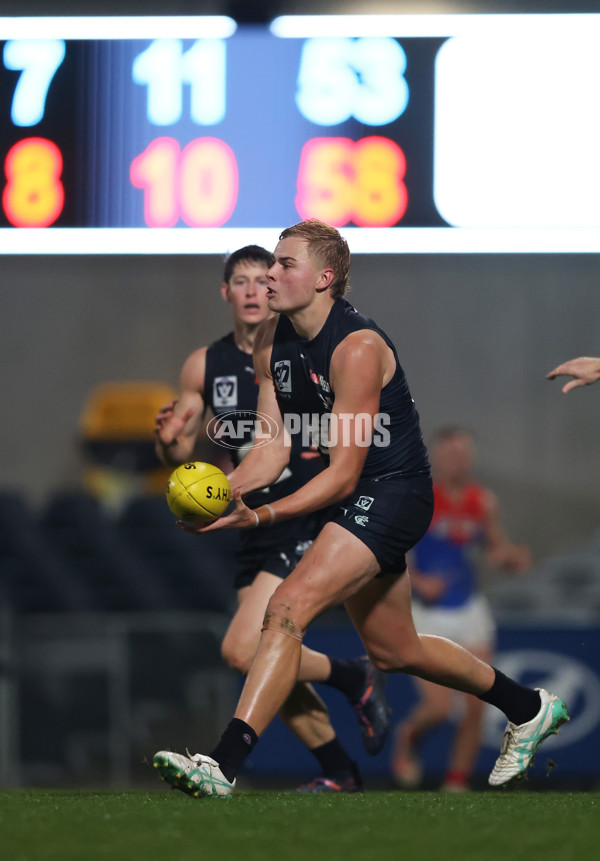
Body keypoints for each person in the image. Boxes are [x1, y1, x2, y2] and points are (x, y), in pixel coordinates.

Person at [153, 220, 569, 799]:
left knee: (288, 605)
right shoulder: (274, 343)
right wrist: (231, 495)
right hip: (357, 497)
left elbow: (343, 471)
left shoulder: (357, 349)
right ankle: (529, 707)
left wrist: (263, 517)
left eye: (284, 264)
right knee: (396, 650)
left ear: (324, 279)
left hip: (395, 491)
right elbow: (274, 446)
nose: (271, 274)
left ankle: (220, 766)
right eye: (271, 262)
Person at [153, 244, 390, 794]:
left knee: (243, 648)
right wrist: (168, 446)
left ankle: (351, 678)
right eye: (243, 281)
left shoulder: (298, 348)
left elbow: (335, 434)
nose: (256, 289)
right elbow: (186, 454)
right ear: (227, 292)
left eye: (267, 278)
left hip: (303, 508)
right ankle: (339, 767)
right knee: (261, 658)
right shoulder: (204, 365)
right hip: (250, 514)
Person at [391, 426, 532, 792]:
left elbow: (494, 547)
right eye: (450, 453)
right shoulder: (421, 497)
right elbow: (393, 552)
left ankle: (457, 780)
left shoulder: (481, 500)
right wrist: (419, 582)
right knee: (438, 709)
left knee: (476, 704)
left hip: (469, 609)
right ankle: (409, 734)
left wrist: (511, 558)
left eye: (463, 453)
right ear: (437, 457)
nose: (457, 460)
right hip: (426, 612)